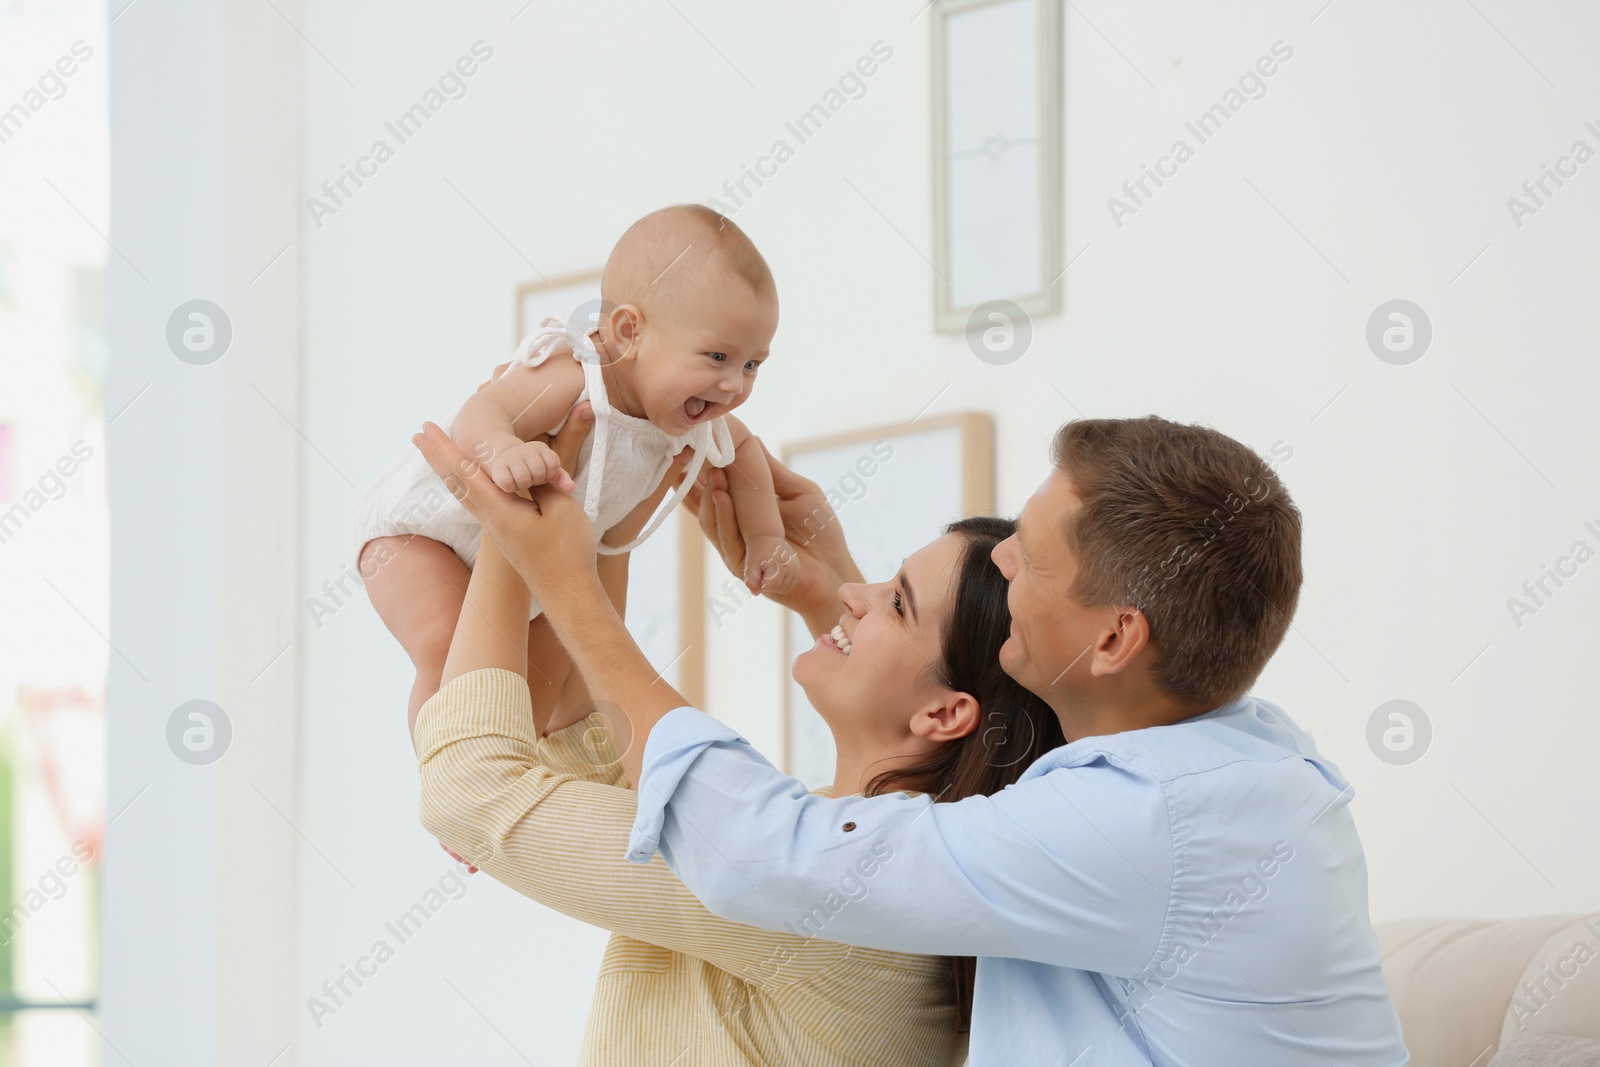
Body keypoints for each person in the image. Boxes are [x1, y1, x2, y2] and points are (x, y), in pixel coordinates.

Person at [411, 413, 1411, 1066]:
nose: (1005, 554)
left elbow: (779, 854)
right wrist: (845, 598)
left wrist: (553, 564)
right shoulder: (1224, 752)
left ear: (1114, 637)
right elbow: (935, 764)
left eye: (1029, 555)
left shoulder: (1147, 821)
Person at [411, 404, 1065, 1065]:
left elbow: (473, 788)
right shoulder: (888, 879)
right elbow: (603, 760)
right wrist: (613, 500)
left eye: (896, 600)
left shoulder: (847, 900)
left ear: (946, 716)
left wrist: (515, 532)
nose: (852, 594)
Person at [354, 204, 793, 736]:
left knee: (527, 693)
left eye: (753, 364)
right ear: (629, 332)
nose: (735, 386)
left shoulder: (695, 425)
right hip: (425, 534)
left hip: (536, 566)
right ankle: (448, 763)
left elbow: (747, 457)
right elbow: (482, 410)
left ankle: (514, 769)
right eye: (717, 357)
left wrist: (766, 535)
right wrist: (502, 450)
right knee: (447, 648)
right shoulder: (579, 376)